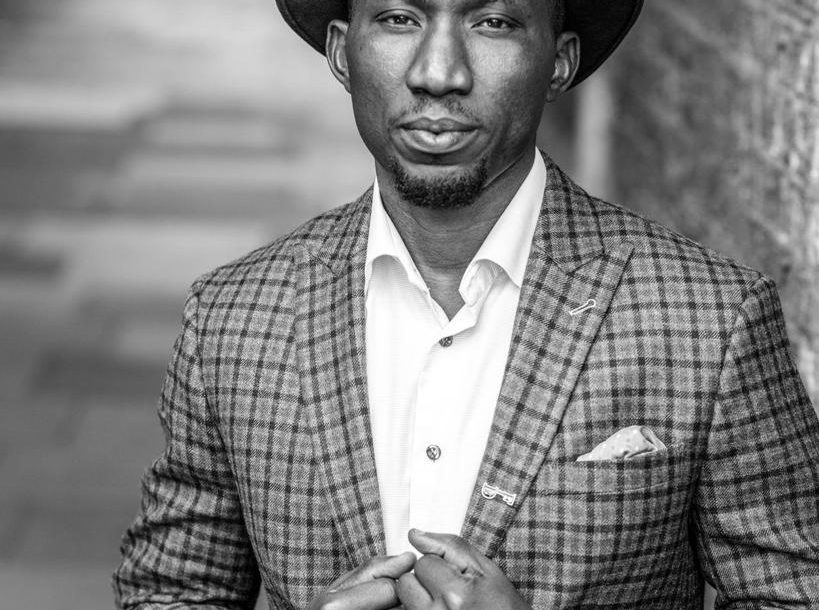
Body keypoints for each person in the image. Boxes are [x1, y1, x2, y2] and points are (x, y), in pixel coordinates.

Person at [114, 0, 819, 607]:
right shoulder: (233, 318)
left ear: (558, 61)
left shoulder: (709, 319)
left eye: (493, 21)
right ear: (342, 51)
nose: (438, 72)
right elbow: (172, 589)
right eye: (399, 18)